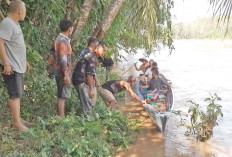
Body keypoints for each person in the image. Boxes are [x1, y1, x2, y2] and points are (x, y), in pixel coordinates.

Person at [0, 0, 30, 132]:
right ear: (19, 11)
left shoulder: (15, 24)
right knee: (14, 95)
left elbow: (16, 44)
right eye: (24, 10)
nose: (25, 13)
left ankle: (19, 118)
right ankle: (17, 124)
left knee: (18, 93)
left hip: (18, 65)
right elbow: (0, 43)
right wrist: (6, 63)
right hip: (11, 66)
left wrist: (25, 61)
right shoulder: (7, 23)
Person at [72, 42, 107, 116]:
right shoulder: (93, 58)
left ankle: (85, 120)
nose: (104, 52)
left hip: (79, 79)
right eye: (103, 50)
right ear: (97, 48)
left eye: (105, 51)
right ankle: (89, 122)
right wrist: (91, 89)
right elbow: (89, 75)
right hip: (80, 80)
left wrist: (96, 82)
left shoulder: (92, 56)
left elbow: (91, 73)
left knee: (87, 103)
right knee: (87, 105)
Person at [50, 19, 73, 118]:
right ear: (69, 29)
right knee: (62, 97)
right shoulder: (63, 41)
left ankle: (60, 117)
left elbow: (53, 56)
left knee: (61, 95)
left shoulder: (59, 39)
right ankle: (62, 118)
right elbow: (63, 59)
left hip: (59, 71)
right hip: (62, 72)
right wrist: (66, 74)